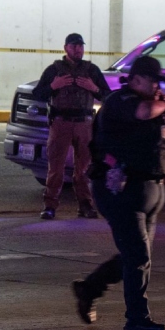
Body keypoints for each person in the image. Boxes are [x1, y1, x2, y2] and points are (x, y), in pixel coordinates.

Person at [71, 56, 165, 330]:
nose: (156, 88)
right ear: (136, 79)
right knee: (137, 256)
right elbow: (144, 112)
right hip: (121, 190)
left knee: (136, 257)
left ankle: (90, 288)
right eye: (152, 82)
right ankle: (137, 319)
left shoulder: (157, 107)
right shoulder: (120, 101)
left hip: (151, 187)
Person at [32, 33, 112, 220]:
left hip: (84, 124)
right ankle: (50, 206)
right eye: (74, 46)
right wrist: (53, 85)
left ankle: (85, 205)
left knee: (83, 169)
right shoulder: (54, 70)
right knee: (56, 169)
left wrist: (95, 89)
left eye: (80, 46)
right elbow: (38, 95)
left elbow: (108, 96)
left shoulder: (92, 70)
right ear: (65, 48)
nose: (78, 49)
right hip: (61, 123)